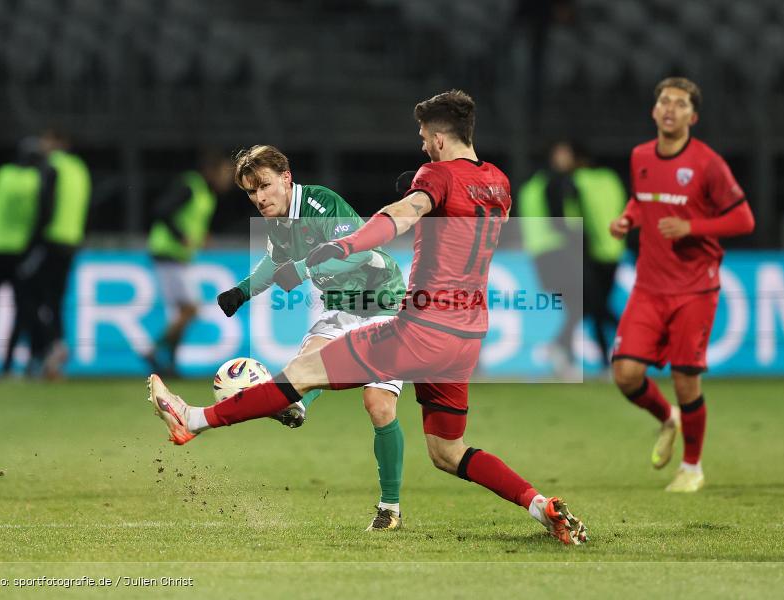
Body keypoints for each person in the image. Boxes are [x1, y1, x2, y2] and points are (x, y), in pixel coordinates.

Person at [147, 90, 588, 546]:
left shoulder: (434, 174)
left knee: (300, 373)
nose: (421, 144)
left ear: (438, 137)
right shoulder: (498, 181)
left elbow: (400, 216)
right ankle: (541, 506)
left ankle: (192, 417)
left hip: (420, 327)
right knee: (447, 451)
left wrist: (348, 243)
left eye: (422, 136)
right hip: (467, 333)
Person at [215, 144, 408, 531]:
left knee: (378, 405)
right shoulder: (278, 222)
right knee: (308, 361)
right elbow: (274, 262)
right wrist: (242, 290)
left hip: (383, 299)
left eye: (265, 186)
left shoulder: (320, 203)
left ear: (287, 178)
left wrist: (302, 269)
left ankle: (390, 509)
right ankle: (297, 406)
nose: (260, 198)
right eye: (252, 192)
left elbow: (356, 251)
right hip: (340, 304)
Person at [609, 77, 755, 492]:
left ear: (693, 116)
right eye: (664, 101)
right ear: (654, 111)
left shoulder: (708, 163)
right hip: (649, 287)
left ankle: (692, 467)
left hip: (695, 287)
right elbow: (643, 198)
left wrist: (693, 225)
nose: (670, 108)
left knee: (686, 377)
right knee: (625, 375)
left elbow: (744, 219)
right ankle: (668, 418)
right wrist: (628, 219)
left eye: (680, 103)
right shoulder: (640, 155)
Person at [3, 128, 91, 378]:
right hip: (71, 241)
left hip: (50, 239)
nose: (42, 145)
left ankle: (49, 345)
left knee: (28, 292)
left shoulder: (52, 166)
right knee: (55, 299)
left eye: (45, 140)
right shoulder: (80, 169)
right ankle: (53, 349)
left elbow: (46, 204)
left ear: (56, 141)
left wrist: (35, 238)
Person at [0, 138, 54, 375]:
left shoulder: (0, 175)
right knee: (21, 309)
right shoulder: (37, 180)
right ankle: (7, 363)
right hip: (19, 253)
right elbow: (43, 216)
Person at [145, 151, 233, 376]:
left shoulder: (206, 194)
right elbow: (162, 210)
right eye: (224, 173)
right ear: (210, 171)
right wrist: (180, 236)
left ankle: (171, 364)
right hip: (167, 253)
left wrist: (201, 236)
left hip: (179, 257)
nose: (228, 179)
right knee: (190, 310)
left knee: (182, 313)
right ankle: (153, 350)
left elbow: (189, 219)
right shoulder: (189, 186)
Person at [516, 141, 583, 377]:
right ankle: (561, 348)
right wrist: (578, 237)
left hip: (538, 254)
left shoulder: (528, 188)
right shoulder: (553, 184)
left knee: (573, 305)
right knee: (578, 304)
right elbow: (559, 220)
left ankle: (565, 357)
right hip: (556, 249)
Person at [571, 146, 626, 364]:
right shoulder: (612, 180)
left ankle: (635, 341)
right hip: (615, 250)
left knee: (598, 307)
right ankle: (610, 358)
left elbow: (571, 216)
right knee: (598, 307)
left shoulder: (578, 180)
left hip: (592, 253)